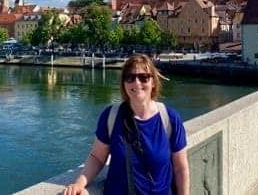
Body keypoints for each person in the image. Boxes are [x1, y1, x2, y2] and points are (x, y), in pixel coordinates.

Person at [63, 54, 190, 195]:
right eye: (130, 77)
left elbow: (180, 169)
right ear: (124, 83)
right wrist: (80, 183)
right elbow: (97, 157)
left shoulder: (170, 119)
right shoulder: (111, 116)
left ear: (153, 82)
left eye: (143, 77)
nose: (136, 83)